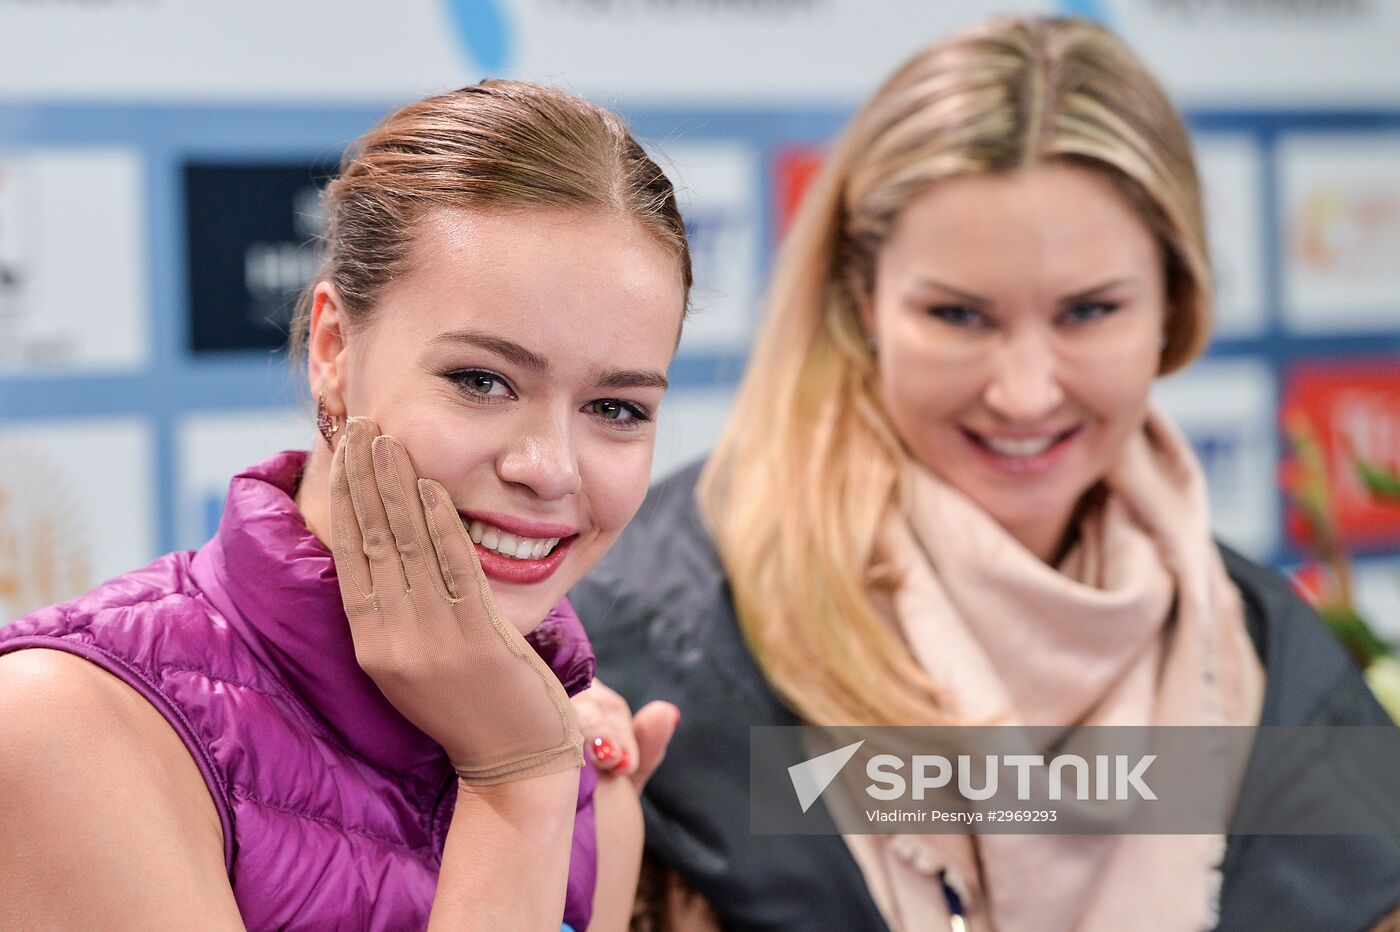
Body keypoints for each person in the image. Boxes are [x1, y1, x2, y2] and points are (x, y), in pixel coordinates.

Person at [569, 16, 1400, 932]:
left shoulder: (1274, 664)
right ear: (862, 302)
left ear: (1174, 304)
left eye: (1088, 311)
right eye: (961, 316)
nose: (1023, 391)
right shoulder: (649, 643)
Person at [0, 80, 690, 930]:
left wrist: (540, 774)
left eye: (616, 408)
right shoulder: (57, 728)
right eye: (482, 381)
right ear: (333, 346)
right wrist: (514, 784)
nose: (548, 469)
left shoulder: (585, 773)